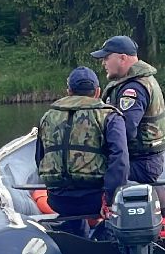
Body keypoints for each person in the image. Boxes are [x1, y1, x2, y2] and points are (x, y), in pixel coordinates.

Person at [35, 67, 128, 235]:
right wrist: (110, 198)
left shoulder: (48, 116)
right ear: (98, 91)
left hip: (57, 199)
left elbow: (39, 158)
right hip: (94, 200)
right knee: (139, 188)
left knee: (73, 213)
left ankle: (76, 235)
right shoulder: (110, 116)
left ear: (69, 91)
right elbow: (120, 160)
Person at [90, 34, 165, 185]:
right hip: (141, 160)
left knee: (86, 173)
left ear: (122, 58)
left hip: (142, 164)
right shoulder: (134, 83)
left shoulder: (133, 89)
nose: (103, 63)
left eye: (106, 58)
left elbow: (125, 131)